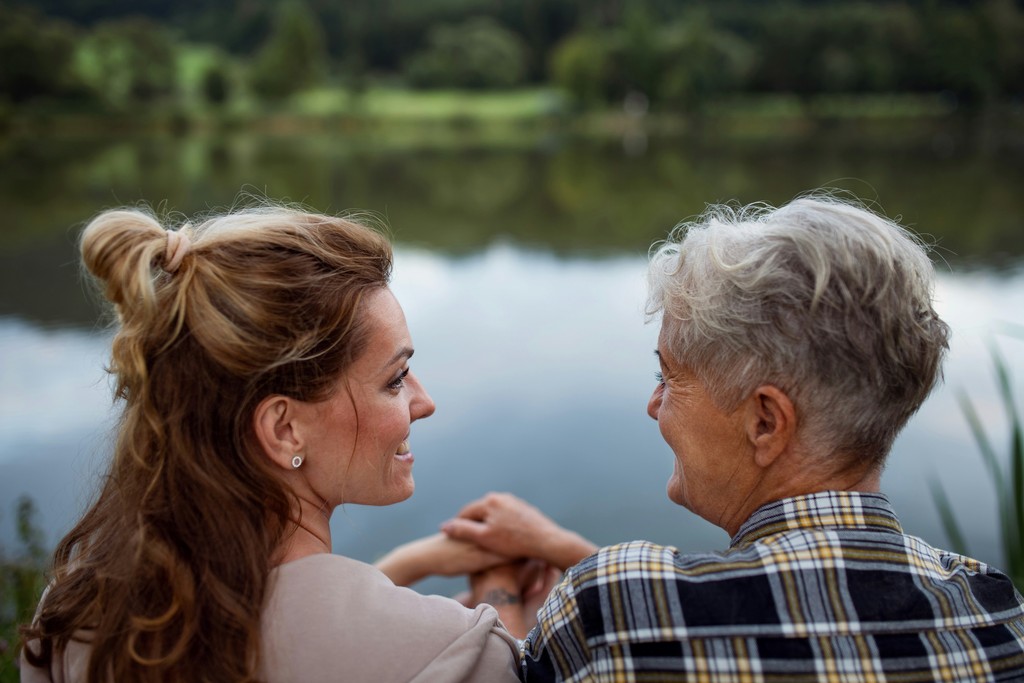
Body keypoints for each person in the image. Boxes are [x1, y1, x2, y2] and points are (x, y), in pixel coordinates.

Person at [441, 194, 1024, 681]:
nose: (653, 404)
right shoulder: (993, 611)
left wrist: (502, 597)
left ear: (766, 421)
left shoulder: (613, 607)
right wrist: (563, 546)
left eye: (668, 375)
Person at [19, 206, 524, 682]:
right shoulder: (451, 649)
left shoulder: (71, 616)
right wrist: (503, 595)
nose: (424, 401)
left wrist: (413, 564)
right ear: (284, 430)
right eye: (396, 378)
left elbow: (277, 617)